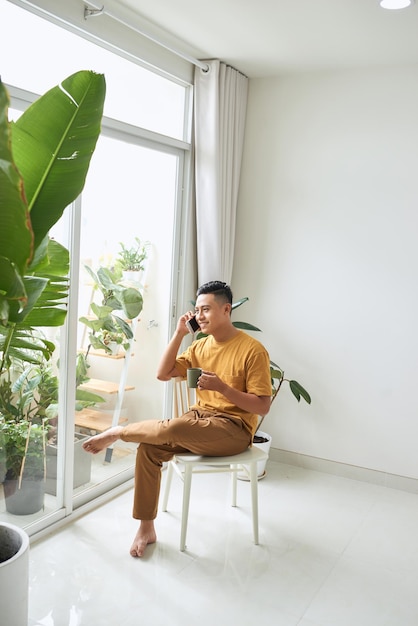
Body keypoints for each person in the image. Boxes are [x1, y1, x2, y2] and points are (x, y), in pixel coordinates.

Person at [82, 280, 272, 557]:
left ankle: (119, 432)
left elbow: (262, 407)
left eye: (206, 309)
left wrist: (223, 389)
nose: (199, 316)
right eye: (197, 310)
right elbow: (163, 373)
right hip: (199, 421)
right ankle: (146, 528)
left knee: (178, 425)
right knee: (149, 449)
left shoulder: (252, 350)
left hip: (234, 429)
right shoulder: (200, 347)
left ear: (226, 309)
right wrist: (179, 333)